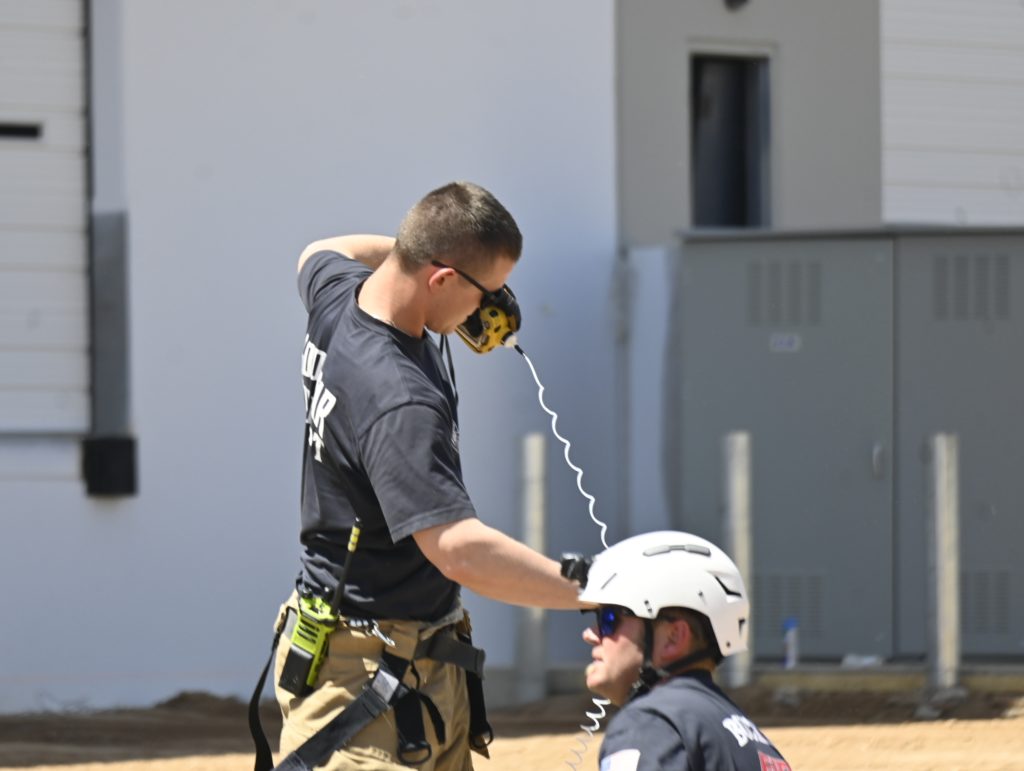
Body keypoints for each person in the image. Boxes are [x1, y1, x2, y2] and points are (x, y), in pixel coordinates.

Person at [268, 181, 583, 771]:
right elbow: (459, 550)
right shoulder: (399, 400)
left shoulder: (340, 296)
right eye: (486, 294)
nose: (489, 311)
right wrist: (593, 593)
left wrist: (416, 251)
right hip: (367, 682)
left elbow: (319, 249)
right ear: (441, 279)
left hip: (408, 655)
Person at [579, 531, 791, 771]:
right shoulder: (756, 744)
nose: (590, 634)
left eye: (609, 619)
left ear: (674, 637)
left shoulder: (653, 722)